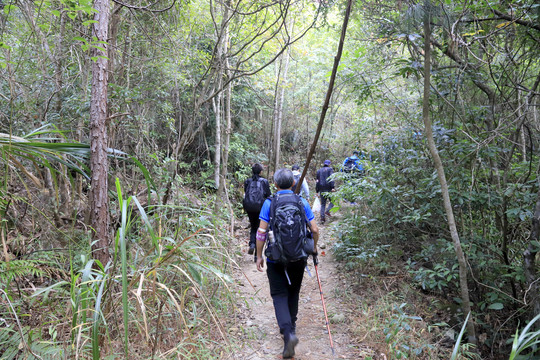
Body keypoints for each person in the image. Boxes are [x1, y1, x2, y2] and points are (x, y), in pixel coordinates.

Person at [255, 168, 319, 359]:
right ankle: (291, 327)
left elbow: (261, 232)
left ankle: (288, 334)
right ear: (293, 183)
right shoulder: (301, 201)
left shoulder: (269, 203)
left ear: (275, 184)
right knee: (293, 292)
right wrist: (313, 248)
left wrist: (259, 256)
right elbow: (314, 229)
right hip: (298, 257)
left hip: (275, 257)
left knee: (278, 294)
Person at [243, 163, 271, 257]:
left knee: (253, 227)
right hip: (260, 207)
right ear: (260, 172)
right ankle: (257, 255)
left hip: (249, 207)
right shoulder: (264, 181)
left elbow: (245, 193)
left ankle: (252, 244)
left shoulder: (247, 181)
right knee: (261, 228)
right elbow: (268, 195)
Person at [316, 159, 335, 224]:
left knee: (323, 204)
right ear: (329, 164)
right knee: (332, 201)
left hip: (321, 189)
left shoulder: (319, 171)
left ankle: (322, 218)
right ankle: (327, 211)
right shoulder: (330, 170)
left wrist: (317, 190)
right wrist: (333, 187)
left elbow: (317, 181)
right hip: (329, 189)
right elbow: (331, 179)